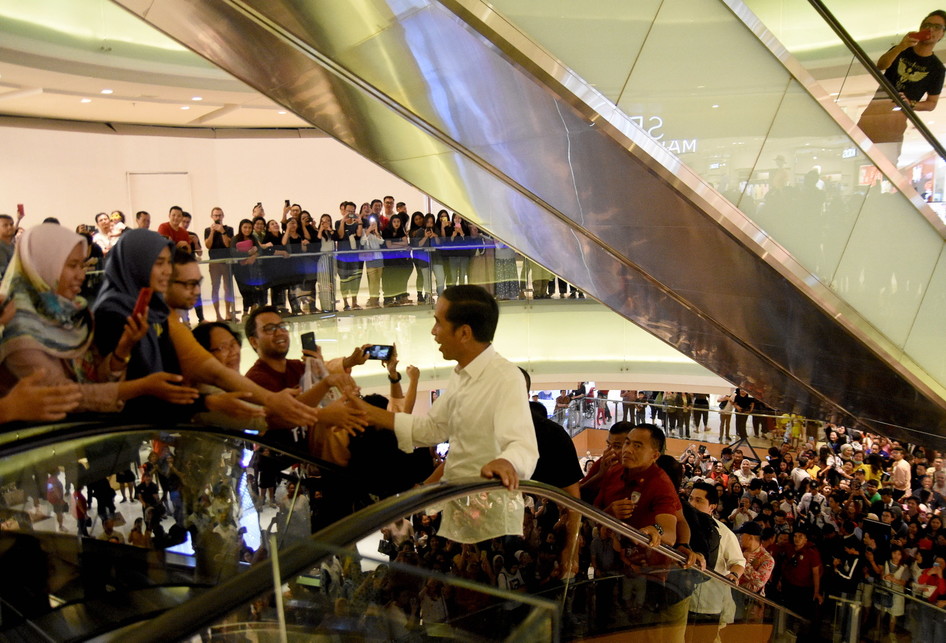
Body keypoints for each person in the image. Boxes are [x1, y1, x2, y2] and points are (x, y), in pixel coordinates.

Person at [356, 285, 538, 543]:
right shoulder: (460, 375)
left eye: (438, 323)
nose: (433, 332)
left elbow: (523, 444)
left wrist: (507, 462)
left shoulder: (506, 377)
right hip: (459, 513)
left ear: (464, 332)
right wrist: (368, 413)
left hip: (492, 526)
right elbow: (432, 429)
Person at [858, 10, 946, 163]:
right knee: (856, 155)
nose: (931, 29)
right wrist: (900, 46)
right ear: (920, 28)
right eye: (927, 25)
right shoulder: (901, 49)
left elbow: (931, 104)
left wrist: (910, 104)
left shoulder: (937, 69)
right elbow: (881, 65)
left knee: (887, 163)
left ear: (942, 35)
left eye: (937, 27)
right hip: (873, 112)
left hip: (896, 120)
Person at [687, 481, 745, 640]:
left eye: (698, 500)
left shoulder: (724, 533)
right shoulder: (682, 525)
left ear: (712, 506)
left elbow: (738, 562)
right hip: (682, 599)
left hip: (709, 604)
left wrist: (734, 574)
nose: (692, 504)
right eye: (690, 498)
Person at [204, 207, 234, 322]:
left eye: (220, 215)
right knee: (215, 288)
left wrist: (222, 231)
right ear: (212, 217)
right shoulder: (207, 230)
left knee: (228, 288)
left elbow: (228, 245)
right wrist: (212, 232)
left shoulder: (229, 229)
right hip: (214, 263)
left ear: (223, 216)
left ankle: (228, 313)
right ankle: (217, 315)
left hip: (227, 262)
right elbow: (208, 245)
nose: (218, 217)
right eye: (215, 215)